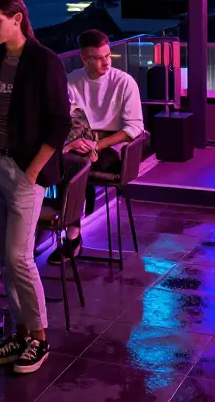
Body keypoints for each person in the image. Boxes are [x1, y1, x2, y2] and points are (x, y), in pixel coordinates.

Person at [0, 0, 70, 374]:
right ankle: (21, 333)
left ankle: (40, 339)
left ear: (17, 19)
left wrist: (34, 170)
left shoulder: (45, 62)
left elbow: (60, 123)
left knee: (19, 257)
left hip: (27, 170)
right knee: (4, 260)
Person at [48, 29, 144, 264]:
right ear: (84, 58)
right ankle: (69, 224)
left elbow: (135, 128)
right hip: (79, 143)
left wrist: (98, 145)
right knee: (64, 160)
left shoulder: (124, 82)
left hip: (111, 148)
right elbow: (63, 119)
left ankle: (72, 235)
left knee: (72, 165)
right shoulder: (71, 81)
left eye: (108, 56)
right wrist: (73, 143)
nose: (106, 62)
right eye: (98, 58)